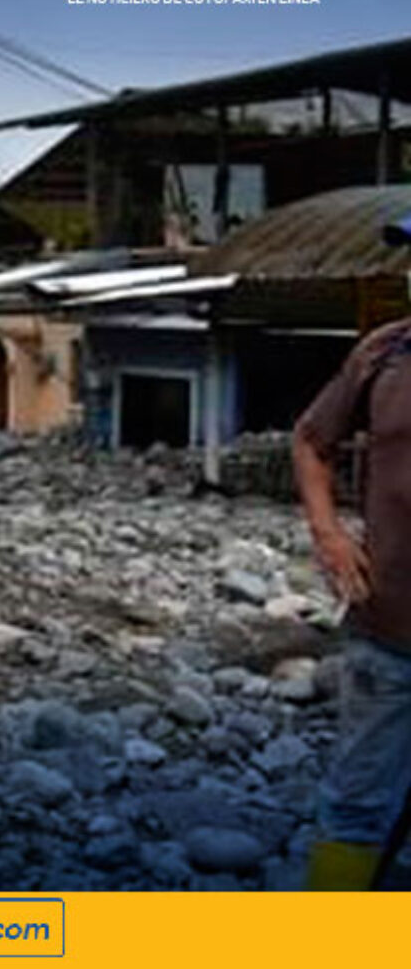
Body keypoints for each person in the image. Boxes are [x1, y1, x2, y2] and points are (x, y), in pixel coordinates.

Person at [293, 294, 411, 890]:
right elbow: (313, 442)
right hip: (387, 633)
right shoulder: (384, 351)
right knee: (357, 807)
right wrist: (328, 533)